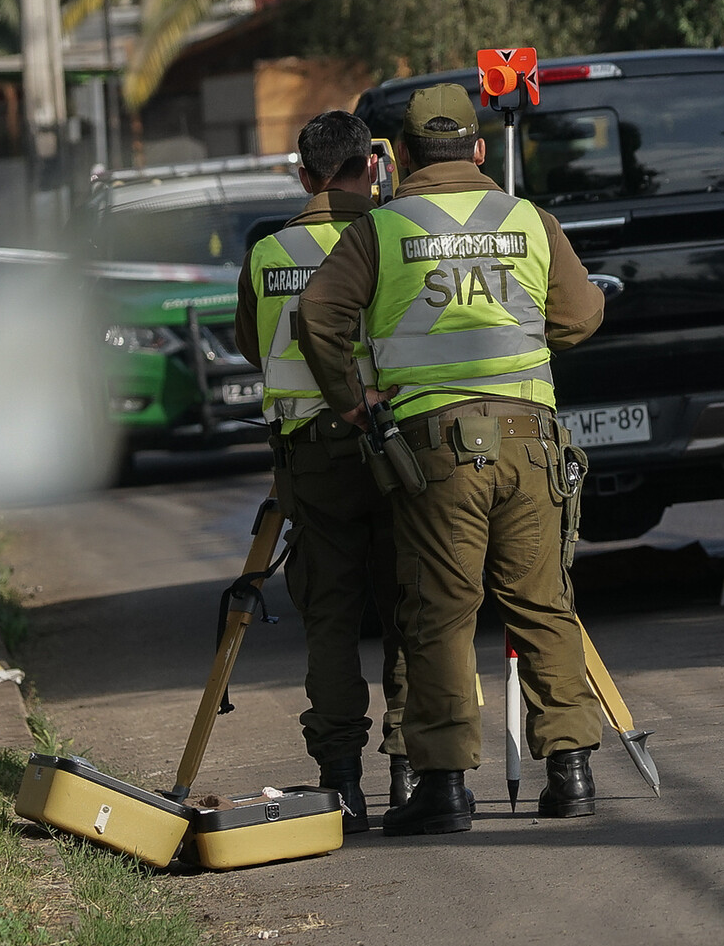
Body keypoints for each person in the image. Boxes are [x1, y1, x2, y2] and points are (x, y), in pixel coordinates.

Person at [296, 83, 605, 836]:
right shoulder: (528, 219)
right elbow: (581, 315)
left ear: (400, 155)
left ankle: (445, 787)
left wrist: (352, 401)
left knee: (440, 612)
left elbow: (318, 315)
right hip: (530, 441)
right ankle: (570, 771)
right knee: (542, 601)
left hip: (436, 452)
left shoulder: (382, 230)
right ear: (477, 149)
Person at [234, 110, 412, 834]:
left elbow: (253, 346)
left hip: (310, 458)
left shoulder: (266, 253)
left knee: (331, 621)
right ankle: (410, 772)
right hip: (394, 446)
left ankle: (342, 784)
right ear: (371, 167)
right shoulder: (392, 237)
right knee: (410, 608)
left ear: (304, 176)